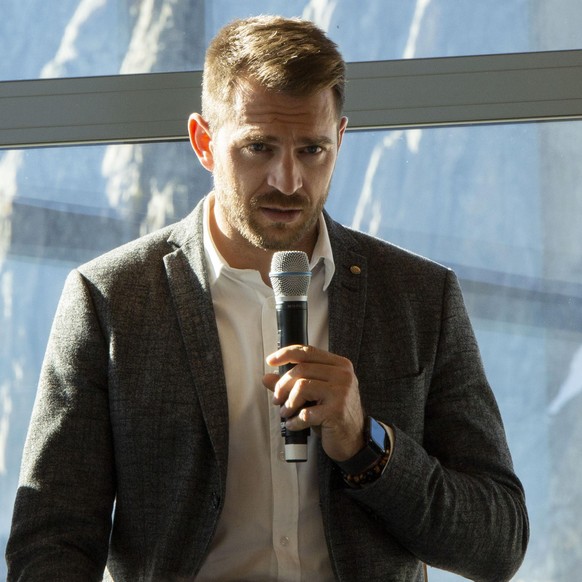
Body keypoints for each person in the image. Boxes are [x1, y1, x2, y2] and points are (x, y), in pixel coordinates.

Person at [6, 15, 528, 582]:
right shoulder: (111, 299)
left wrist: (367, 444)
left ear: (341, 140)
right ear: (204, 142)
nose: (288, 180)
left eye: (312, 150)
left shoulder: (419, 297)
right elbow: (51, 543)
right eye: (259, 148)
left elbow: (498, 542)